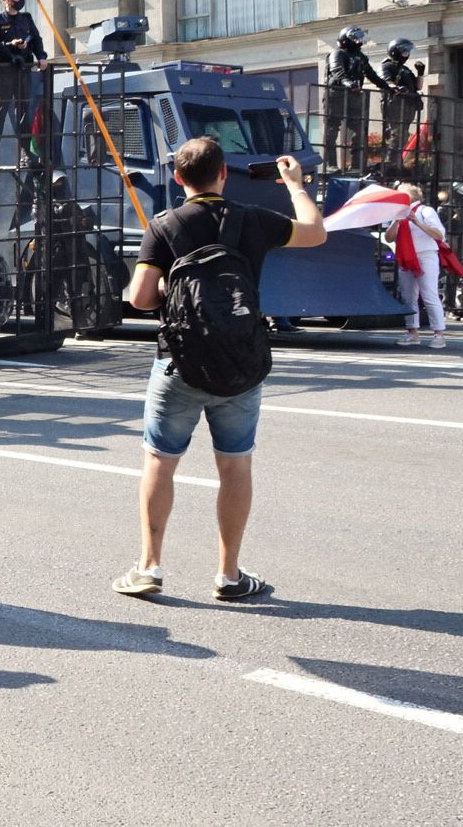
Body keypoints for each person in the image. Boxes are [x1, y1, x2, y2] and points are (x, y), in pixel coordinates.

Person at [113, 137, 326, 601]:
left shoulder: (165, 225)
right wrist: (295, 186)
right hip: (240, 364)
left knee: (159, 462)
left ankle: (149, 567)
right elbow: (314, 233)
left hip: (179, 363)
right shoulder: (252, 220)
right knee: (234, 466)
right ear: (223, 174)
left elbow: (140, 298)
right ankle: (229, 575)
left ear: (178, 178)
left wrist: (169, 279)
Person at [0, 0, 48, 168]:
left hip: (24, 69)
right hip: (5, 72)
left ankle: (26, 155)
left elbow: (36, 39)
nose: (19, 1)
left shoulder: (26, 18)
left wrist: (41, 57)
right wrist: (9, 44)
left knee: (24, 114)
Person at [321, 27, 393, 173]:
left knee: (359, 129)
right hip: (336, 94)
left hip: (355, 95)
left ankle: (356, 164)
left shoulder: (361, 57)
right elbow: (338, 71)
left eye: (360, 38)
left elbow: (372, 75)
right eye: (355, 38)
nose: (359, 41)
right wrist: (348, 83)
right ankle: (330, 164)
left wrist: (388, 88)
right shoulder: (337, 53)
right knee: (332, 129)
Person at [386, 183, 449, 349]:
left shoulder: (425, 211)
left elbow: (439, 235)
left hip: (425, 255)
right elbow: (389, 238)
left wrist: (417, 222)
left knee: (429, 294)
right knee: (408, 296)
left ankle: (438, 333)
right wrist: (396, 222)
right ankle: (412, 332)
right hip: (406, 257)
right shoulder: (399, 214)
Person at [380, 38, 426, 171]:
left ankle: (398, 161)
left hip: (408, 106)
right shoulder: (387, 66)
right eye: (405, 51)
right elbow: (385, 80)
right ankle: (391, 162)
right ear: (396, 52)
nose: (407, 54)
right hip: (395, 105)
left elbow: (417, 86)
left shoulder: (404, 69)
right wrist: (396, 88)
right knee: (397, 134)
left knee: (403, 135)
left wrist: (420, 73)